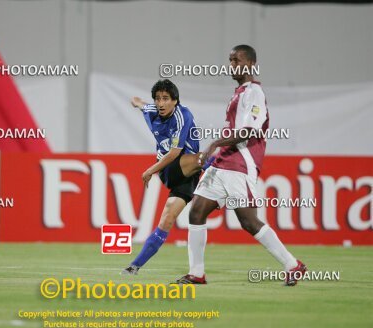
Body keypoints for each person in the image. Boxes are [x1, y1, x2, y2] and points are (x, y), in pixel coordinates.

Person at [175, 45, 307, 286]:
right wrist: (215, 154)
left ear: (251, 64)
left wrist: (214, 144)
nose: (232, 65)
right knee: (196, 211)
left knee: (248, 221)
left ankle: (293, 265)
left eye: (237, 60)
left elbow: (247, 131)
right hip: (223, 163)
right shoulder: (239, 93)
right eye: (230, 60)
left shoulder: (254, 92)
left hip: (239, 165)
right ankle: (196, 273)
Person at [121, 79, 212, 275]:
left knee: (167, 220)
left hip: (187, 173)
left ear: (175, 101)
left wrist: (149, 170)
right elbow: (138, 102)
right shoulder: (152, 111)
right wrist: (136, 102)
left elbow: (174, 151)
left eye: (166, 99)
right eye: (158, 99)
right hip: (169, 169)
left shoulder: (182, 115)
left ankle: (134, 266)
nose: (161, 103)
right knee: (206, 158)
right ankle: (226, 160)